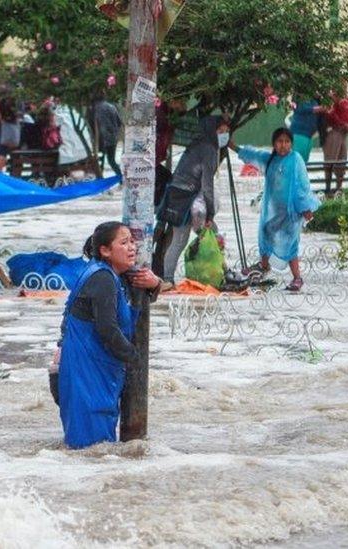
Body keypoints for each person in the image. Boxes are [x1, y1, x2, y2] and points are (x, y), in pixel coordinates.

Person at [53, 222, 162, 449]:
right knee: (92, 449)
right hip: (88, 374)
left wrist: (155, 284)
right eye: (124, 243)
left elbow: (137, 287)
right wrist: (135, 359)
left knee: (96, 449)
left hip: (93, 372)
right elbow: (107, 329)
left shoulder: (109, 273)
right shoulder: (102, 279)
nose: (132, 247)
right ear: (105, 250)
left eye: (132, 241)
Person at [230, 127, 321, 292]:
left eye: (287, 142)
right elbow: (253, 155)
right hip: (274, 211)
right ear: (274, 143)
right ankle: (264, 267)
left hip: (292, 211)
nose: (283, 145)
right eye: (280, 141)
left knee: (291, 242)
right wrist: (232, 146)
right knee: (266, 233)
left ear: (291, 144)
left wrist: (305, 208)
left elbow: (302, 185)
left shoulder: (295, 160)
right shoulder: (270, 159)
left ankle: (297, 278)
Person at [160, 115, 231, 282]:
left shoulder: (197, 144)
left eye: (227, 131)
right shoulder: (209, 150)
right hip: (188, 201)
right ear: (212, 131)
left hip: (177, 196)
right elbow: (207, 185)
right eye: (220, 131)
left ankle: (167, 280)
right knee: (210, 236)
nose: (224, 135)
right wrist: (211, 214)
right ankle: (219, 274)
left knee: (181, 240)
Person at [322, 85, 348, 194]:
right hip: (334, 131)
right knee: (330, 159)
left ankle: (339, 187)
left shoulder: (347, 99)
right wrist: (342, 124)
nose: (344, 86)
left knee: (342, 159)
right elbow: (330, 113)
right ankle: (328, 188)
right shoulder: (330, 98)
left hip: (344, 133)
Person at [89, 97, 123, 176]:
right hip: (112, 139)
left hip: (101, 139)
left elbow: (95, 126)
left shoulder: (95, 109)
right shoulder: (112, 107)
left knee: (100, 162)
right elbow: (119, 123)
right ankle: (121, 178)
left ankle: (102, 181)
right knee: (111, 161)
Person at [289, 96, 324, 162]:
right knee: (297, 160)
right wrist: (319, 108)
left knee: (304, 161)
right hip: (299, 133)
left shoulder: (314, 99)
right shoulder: (299, 96)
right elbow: (301, 108)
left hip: (309, 135)